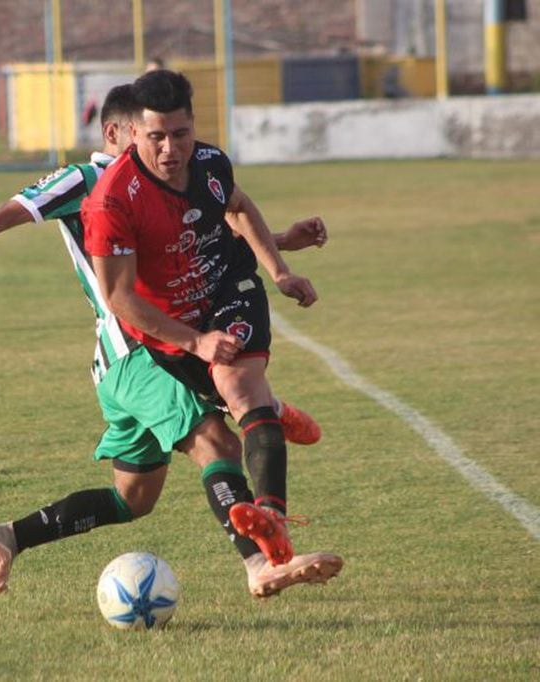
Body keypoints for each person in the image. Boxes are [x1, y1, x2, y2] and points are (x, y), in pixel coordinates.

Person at [0, 86, 336, 598]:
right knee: (217, 442)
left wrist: (277, 242)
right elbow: (0, 216)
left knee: (133, 499)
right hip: (138, 354)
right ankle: (260, 563)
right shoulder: (89, 180)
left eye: (172, 137)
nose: (160, 151)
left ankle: (6, 536)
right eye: (146, 137)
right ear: (117, 134)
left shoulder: (169, 179)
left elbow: (193, 237)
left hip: (127, 359)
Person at [81, 69, 343, 575]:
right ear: (133, 133)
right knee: (234, 394)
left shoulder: (209, 162)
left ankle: (271, 516)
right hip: (169, 329)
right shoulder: (111, 201)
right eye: (156, 136)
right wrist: (195, 340)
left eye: (180, 134)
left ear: (193, 126)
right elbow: (117, 296)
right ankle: (275, 410)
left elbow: (238, 207)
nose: (170, 149)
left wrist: (280, 271)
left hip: (228, 286)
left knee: (237, 384)